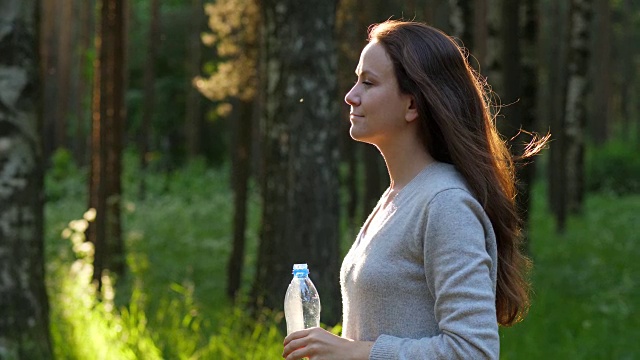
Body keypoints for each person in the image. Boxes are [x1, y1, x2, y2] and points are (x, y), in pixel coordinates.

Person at [283, 20, 546, 360]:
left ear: (412, 105)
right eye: (356, 79)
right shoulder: (399, 196)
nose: (351, 95)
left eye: (369, 82)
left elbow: (474, 351)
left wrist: (358, 353)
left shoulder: (446, 203)